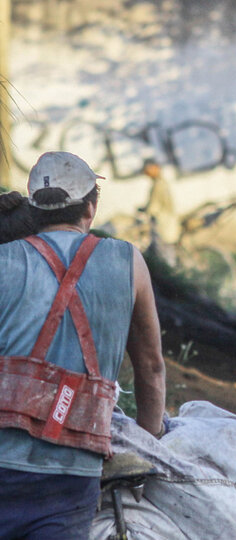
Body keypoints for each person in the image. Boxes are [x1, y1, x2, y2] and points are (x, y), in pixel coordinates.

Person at [0, 152, 166, 539]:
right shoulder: (128, 261)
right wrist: (145, 448)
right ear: (91, 209)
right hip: (70, 478)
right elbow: (152, 368)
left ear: (33, 207)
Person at [140, 158, 180, 248]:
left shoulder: (159, 184)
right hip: (167, 221)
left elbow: (153, 207)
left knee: (164, 253)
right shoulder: (160, 182)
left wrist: (146, 210)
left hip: (163, 224)